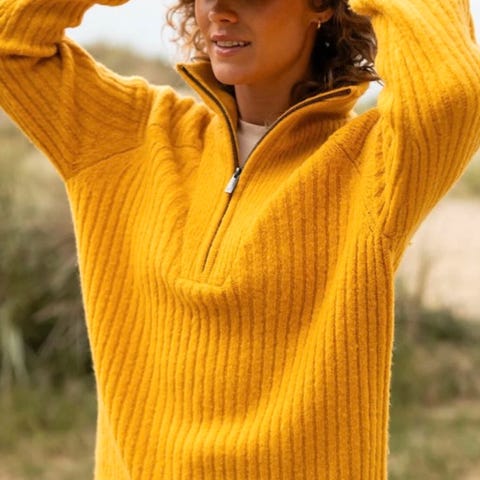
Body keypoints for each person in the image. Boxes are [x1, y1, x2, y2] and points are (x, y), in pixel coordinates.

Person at [0, 0, 479, 478]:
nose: (221, 10)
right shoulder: (133, 136)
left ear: (320, 6)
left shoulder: (370, 168)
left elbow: (452, 92)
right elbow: (9, 45)